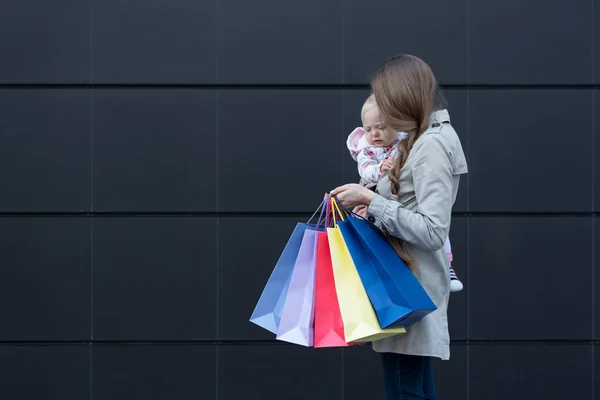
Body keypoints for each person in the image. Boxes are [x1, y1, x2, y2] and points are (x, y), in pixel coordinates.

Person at [330, 54, 468, 400]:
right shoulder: (417, 140)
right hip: (406, 282)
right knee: (415, 385)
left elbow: (434, 230)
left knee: (405, 389)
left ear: (405, 97)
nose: (383, 115)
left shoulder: (432, 144)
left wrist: (372, 200)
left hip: (408, 285)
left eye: (388, 102)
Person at [347, 94, 464, 292]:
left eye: (381, 127)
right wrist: (381, 170)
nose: (375, 133)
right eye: (368, 129)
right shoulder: (366, 151)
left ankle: (448, 263)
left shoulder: (410, 142)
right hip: (376, 199)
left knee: (437, 220)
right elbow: (366, 172)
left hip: (400, 201)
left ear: (395, 125)